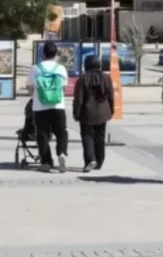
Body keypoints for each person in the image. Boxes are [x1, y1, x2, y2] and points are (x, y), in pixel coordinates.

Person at [26, 42, 70, 173]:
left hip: (40, 107)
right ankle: (62, 153)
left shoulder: (36, 68)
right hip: (58, 106)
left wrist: (35, 96)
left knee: (42, 134)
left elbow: (29, 87)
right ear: (56, 53)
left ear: (43, 53)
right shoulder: (61, 68)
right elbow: (64, 88)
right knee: (61, 132)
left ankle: (46, 162)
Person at [72, 55, 114, 172]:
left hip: (87, 112)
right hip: (103, 112)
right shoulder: (106, 77)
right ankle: (99, 161)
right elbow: (111, 96)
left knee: (87, 136)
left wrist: (76, 113)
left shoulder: (82, 79)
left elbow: (78, 99)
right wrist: (111, 110)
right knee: (100, 136)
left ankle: (90, 160)